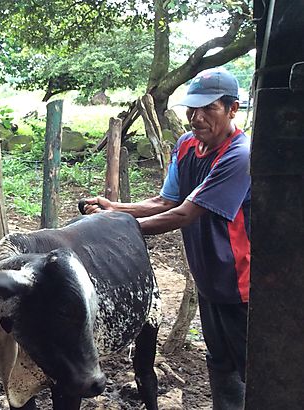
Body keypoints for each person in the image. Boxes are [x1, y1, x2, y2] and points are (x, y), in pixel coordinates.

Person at [81, 68, 249, 410]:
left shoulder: (239, 156)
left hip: (241, 286)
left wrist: (114, 228)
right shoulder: (187, 145)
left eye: (209, 109)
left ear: (233, 110)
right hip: (210, 281)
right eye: (192, 109)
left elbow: (184, 214)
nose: (196, 117)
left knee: (252, 367)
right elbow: (165, 201)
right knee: (220, 364)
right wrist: (116, 208)